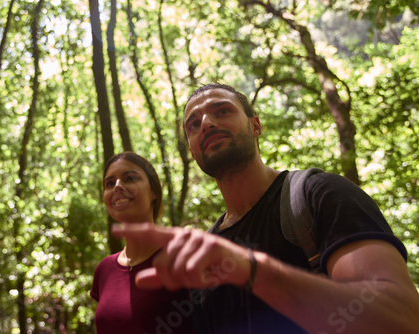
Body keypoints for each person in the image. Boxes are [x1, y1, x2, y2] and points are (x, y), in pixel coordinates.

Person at [112, 84, 419, 333]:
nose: (206, 122)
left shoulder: (318, 195)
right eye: (194, 124)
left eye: (222, 110)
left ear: (255, 125)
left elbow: (402, 318)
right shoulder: (207, 256)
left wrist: (254, 270)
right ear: (192, 149)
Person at [90, 152, 193, 334]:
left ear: (153, 192)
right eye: (110, 183)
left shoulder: (182, 259)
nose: (118, 186)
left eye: (129, 178)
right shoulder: (104, 270)